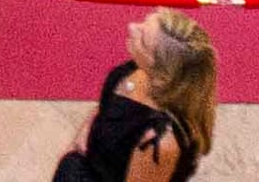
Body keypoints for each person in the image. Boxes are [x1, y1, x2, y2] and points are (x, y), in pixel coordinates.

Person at [66, 10, 219, 182]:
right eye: (143, 22)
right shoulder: (132, 71)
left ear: (159, 70)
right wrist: (79, 142)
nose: (131, 27)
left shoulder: (160, 140)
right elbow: (106, 109)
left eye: (143, 38)